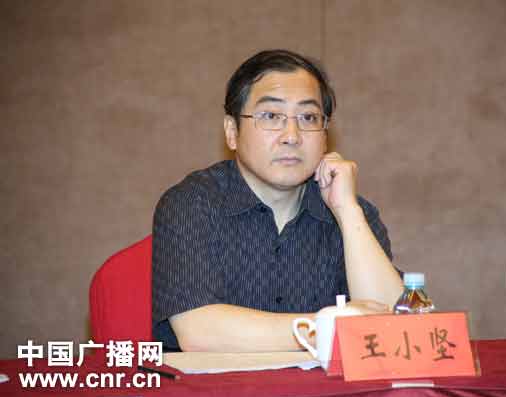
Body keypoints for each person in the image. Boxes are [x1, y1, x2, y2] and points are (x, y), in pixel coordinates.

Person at [152, 49, 404, 352]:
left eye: (308, 117)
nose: (292, 136)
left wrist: (347, 212)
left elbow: (396, 332)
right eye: (271, 116)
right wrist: (328, 328)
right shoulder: (192, 203)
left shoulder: (352, 210)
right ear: (232, 132)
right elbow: (200, 333)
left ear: (325, 134)